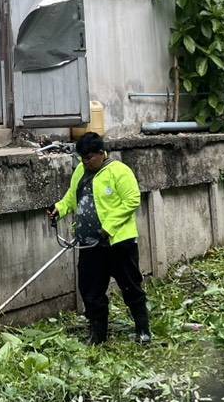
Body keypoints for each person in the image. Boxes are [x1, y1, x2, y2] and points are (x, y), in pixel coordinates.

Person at [51, 132, 151, 345]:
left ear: (101, 153)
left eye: (89, 158)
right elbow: (72, 197)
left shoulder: (119, 171)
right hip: (90, 242)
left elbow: (132, 200)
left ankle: (143, 330)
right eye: (82, 158)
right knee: (90, 290)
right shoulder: (80, 171)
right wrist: (59, 209)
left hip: (118, 242)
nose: (85, 162)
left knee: (130, 286)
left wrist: (108, 227)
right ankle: (98, 335)